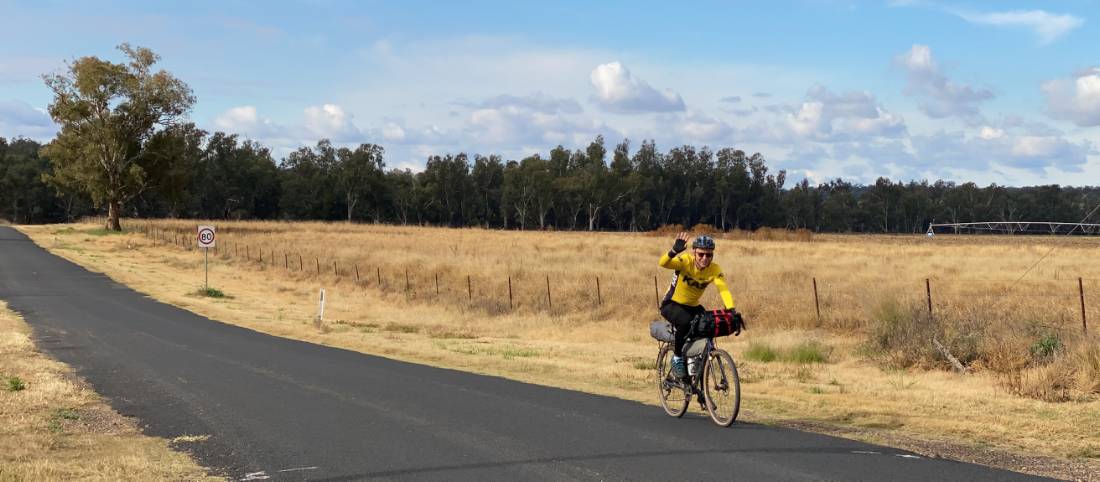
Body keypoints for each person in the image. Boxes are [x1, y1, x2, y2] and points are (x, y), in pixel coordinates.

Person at [658, 231, 735, 379]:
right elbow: (663, 263)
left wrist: (731, 308)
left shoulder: (714, 269)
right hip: (671, 304)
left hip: (692, 306)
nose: (705, 258)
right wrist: (673, 251)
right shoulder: (686, 261)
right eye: (701, 254)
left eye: (709, 255)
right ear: (694, 252)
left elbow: (723, 289)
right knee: (685, 322)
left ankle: (695, 360)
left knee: (709, 324)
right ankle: (677, 358)